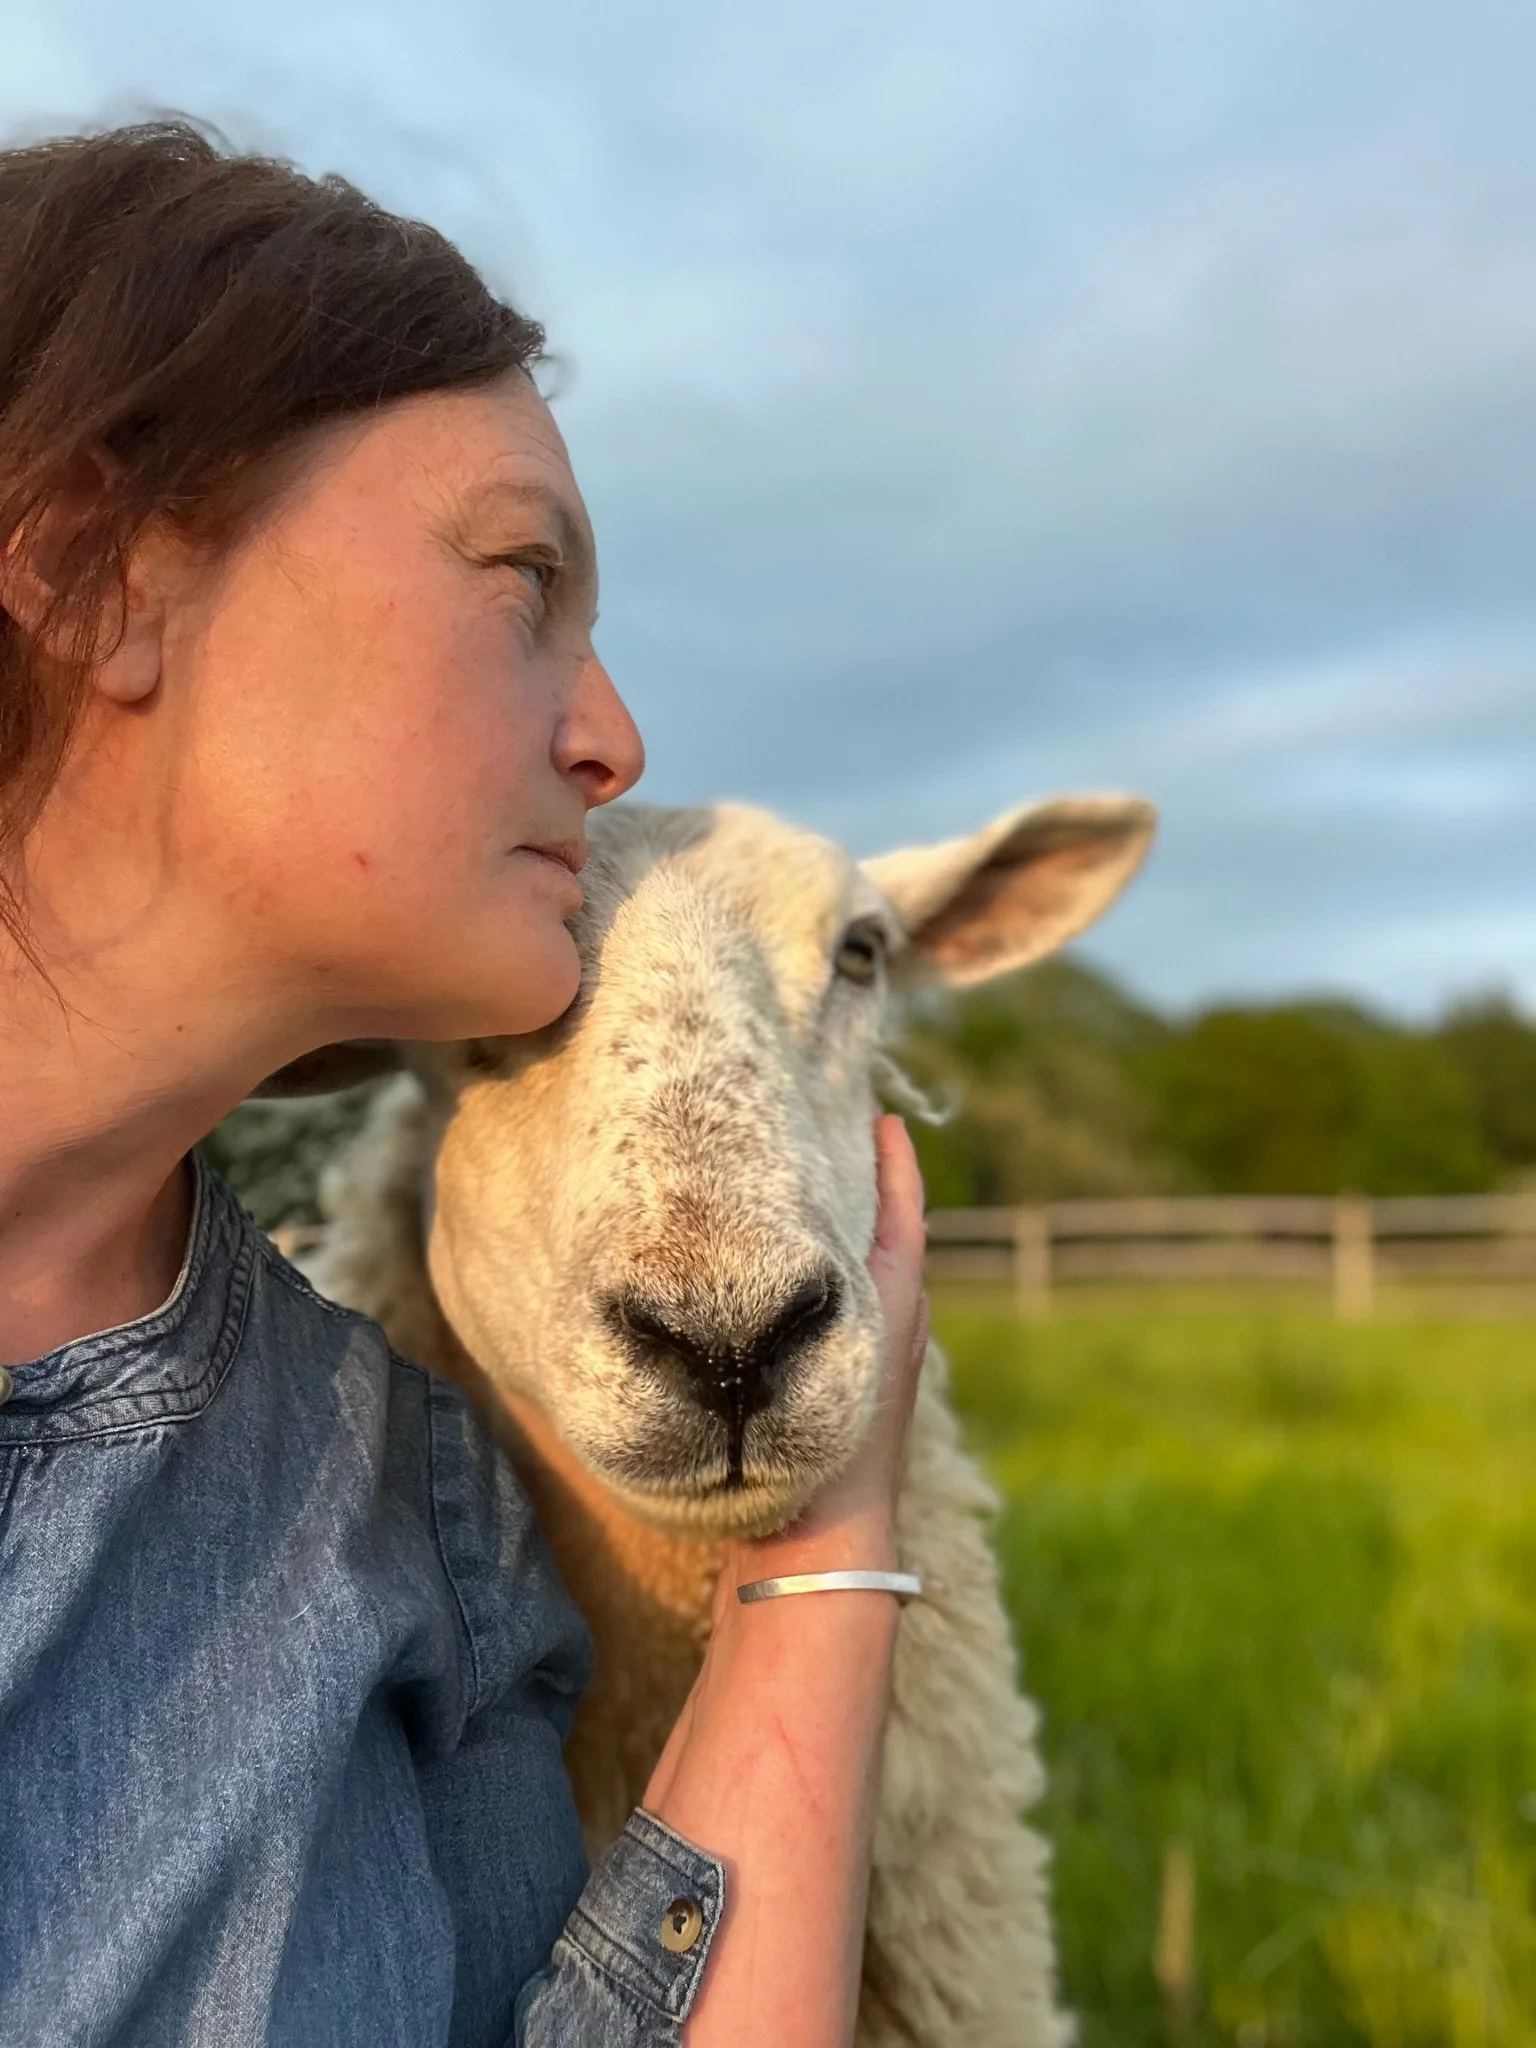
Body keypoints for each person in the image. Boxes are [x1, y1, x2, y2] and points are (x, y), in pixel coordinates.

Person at [0, 122, 930, 2047]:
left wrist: (832, 1545)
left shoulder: (397, 1487)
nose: (614, 737)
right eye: (524, 579)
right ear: (99, 570)